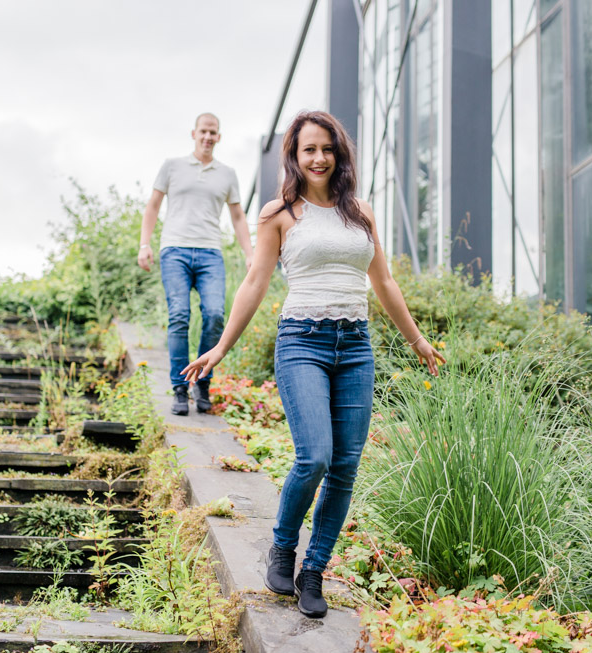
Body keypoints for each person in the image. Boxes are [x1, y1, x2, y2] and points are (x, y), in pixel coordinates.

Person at [182, 110, 444, 618]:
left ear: (338, 153)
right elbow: (255, 282)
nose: (319, 158)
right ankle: (282, 546)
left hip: (356, 346)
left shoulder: (360, 212)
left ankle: (314, 571)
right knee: (315, 456)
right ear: (295, 157)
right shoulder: (279, 213)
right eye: (309, 149)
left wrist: (416, 340)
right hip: (302, 342)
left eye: (327, 148)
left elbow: (383, 281)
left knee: (345, 468)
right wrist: (220, 347)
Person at [139, 112, 253, 416]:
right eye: (203, 131)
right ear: (194, 134)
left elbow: (238, 216)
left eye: (213, 132)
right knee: (179, 316)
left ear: (219, 137)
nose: (207, 137)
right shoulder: (172, 166)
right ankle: (179, 388)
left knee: (215, 315)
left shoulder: (227, 173)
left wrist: (250, 253)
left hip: (210, 252)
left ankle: (201, 382)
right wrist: (144, 244)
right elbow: (153, 206)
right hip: (174, 249)